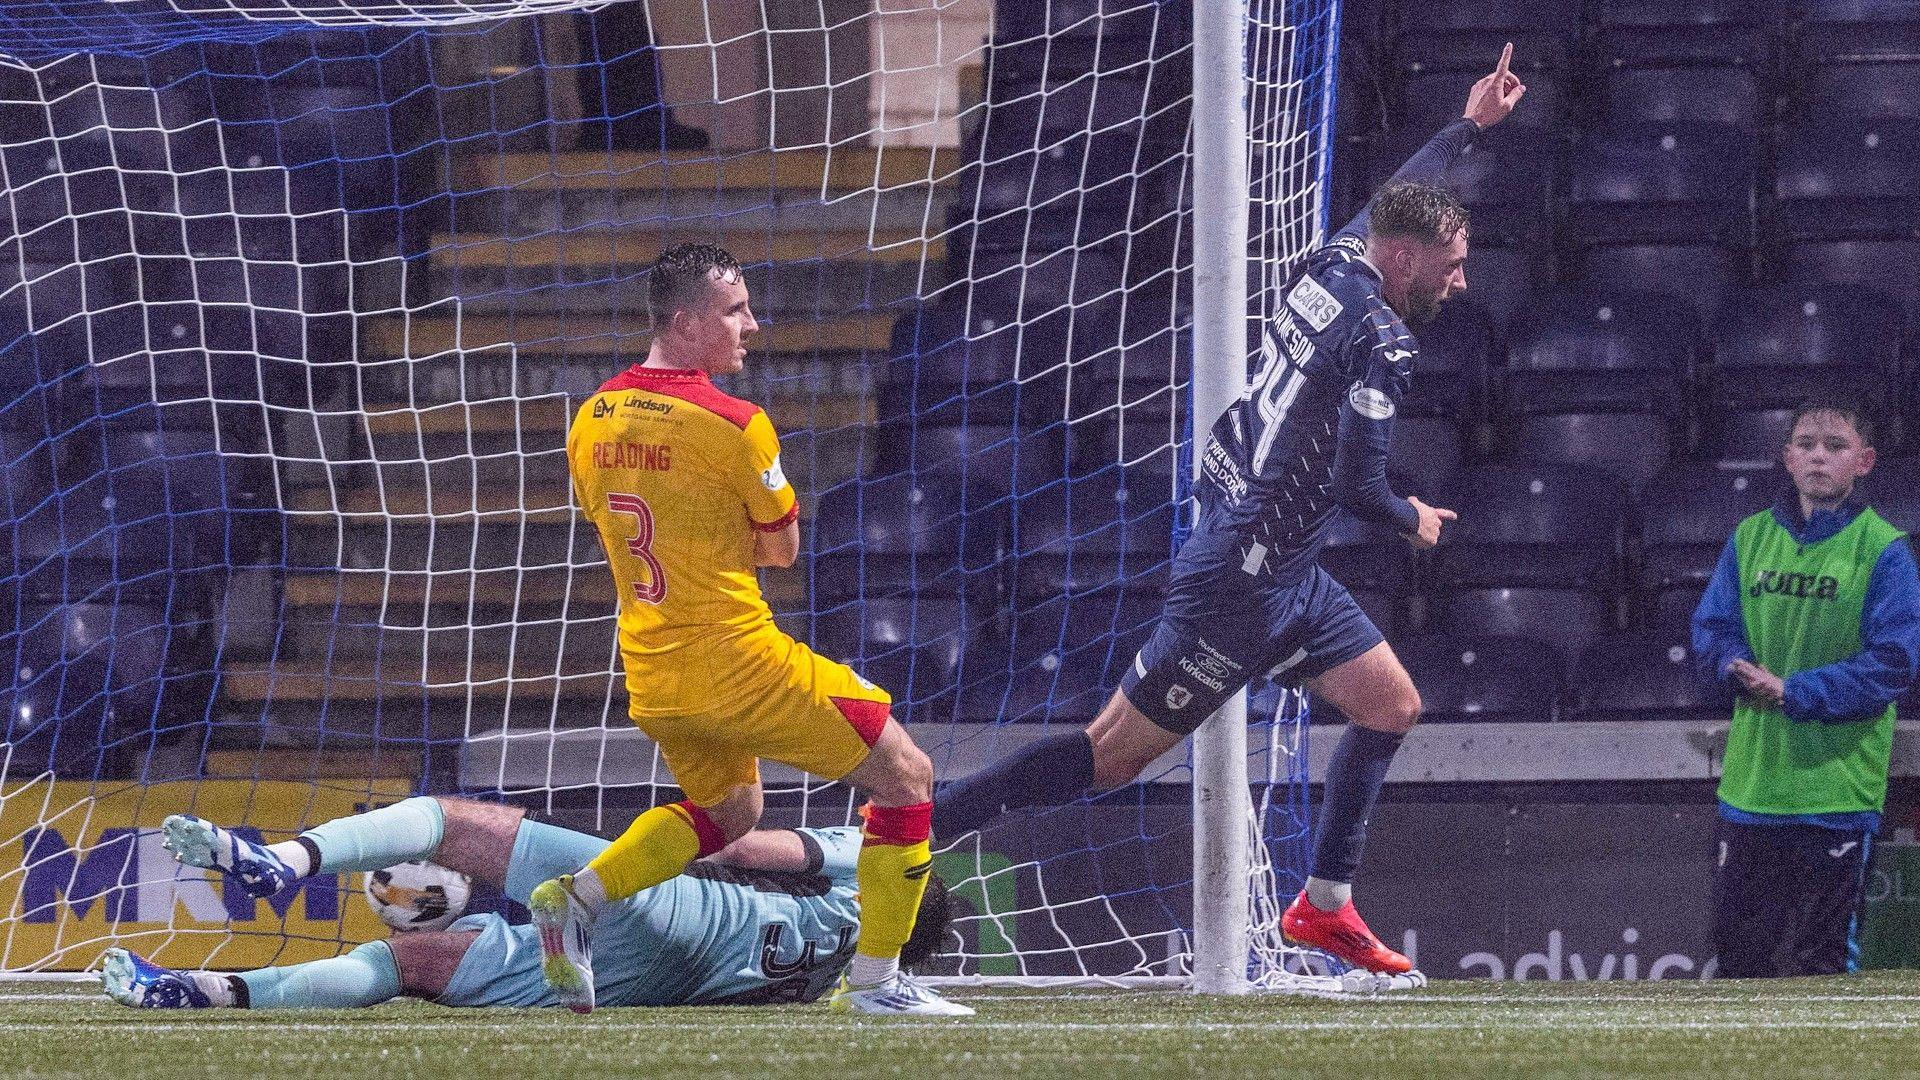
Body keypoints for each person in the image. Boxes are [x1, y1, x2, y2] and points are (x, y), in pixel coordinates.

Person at [930, 47, 1529, 975]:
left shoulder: (1339, 257)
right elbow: (1357, 487)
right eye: (1450, 266)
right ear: (1405, 260)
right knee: (1109, 759)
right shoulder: (1380, 338)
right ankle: (914, 828)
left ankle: (1324, 905)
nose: (1460, 281)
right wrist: (1413, 519)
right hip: (1240, 580)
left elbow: (1400, 193)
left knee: (1390, 704)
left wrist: (1467, 127)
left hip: (1282, 564)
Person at [529, 243, 967, 1016]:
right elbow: (783, 548)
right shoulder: (736, 424)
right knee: (908, 776)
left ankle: (577, 896)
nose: (752, 325)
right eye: (735, 311)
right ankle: (876, 983)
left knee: (732, 814)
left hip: (654, 672)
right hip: (740, 663)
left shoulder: (592, 417)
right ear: (687, 320)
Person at [102, 801, 953, 1010]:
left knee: (451, 823)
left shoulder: (872, 861)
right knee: (411, 966)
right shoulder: (845, 981)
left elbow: (742, 846)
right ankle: (213, 993)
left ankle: (284, 861)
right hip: (645, 991)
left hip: (682, 911)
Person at [1691, 396, 1920, 978]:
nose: (1820, 457)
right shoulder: (1748, 538)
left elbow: (1893, 663)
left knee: (1825, 963)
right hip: (1752, 788)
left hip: (1837, 793)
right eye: (1808, 445)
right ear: (1787, 458)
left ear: (1864, 462)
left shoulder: (1884, 550)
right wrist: (1730, 666)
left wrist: (1795, 692)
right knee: (1740, 960)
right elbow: (1712, 630)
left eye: (1836, 446)